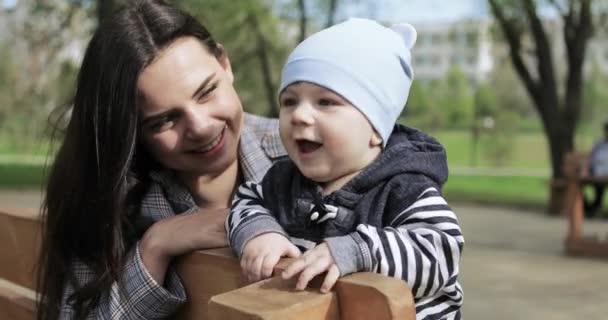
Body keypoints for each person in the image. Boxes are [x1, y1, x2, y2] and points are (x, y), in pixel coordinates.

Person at [36, 1, 286, 319]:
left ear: (225, 65)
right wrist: (156, 245)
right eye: (164, 120)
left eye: (206, 91)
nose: (201, 127)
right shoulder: (110, 202)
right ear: (132, 133)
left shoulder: (309, 153)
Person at [227, 18, 464, 320]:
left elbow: (441, 252)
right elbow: (246, 199)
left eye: (325, 102)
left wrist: (357, 251)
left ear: (376, 129)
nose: (299, 114)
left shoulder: (406, 188)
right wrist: (259, 232)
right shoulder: (282, 181)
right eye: (289, 101)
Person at [584, 122, 608, 217]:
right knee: (575, 187)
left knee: (600, 188)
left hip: (604, 175)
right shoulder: (599, 144)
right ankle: (590, 208)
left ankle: (593, 208)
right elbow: (589, 158)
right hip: (595, 174)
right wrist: (585, 170)